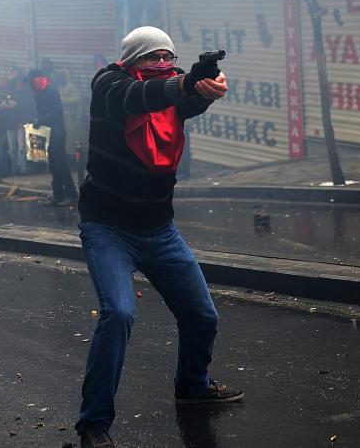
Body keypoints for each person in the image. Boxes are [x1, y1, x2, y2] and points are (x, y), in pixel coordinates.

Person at [75, 26, 241, 448]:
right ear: (131, 61)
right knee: (118, 315)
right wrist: (185, 82)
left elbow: (185, 101)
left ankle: (193, 387)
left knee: (202, 316)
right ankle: (94, 424)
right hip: (108, 228)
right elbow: (142, 98)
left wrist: (206, 86)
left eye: (169, 57)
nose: (163, 64)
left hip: (159, 229)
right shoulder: (110, 84)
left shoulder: (171, 86)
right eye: (153, 58)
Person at [28, 69, 77, 205]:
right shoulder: (38, 94)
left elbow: (56, 111)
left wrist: (41, 119)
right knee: (53, 166)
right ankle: (58, 195)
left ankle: (71, 195)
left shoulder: (51, 92)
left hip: (57, 132)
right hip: (47, 134)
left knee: (61, 164)